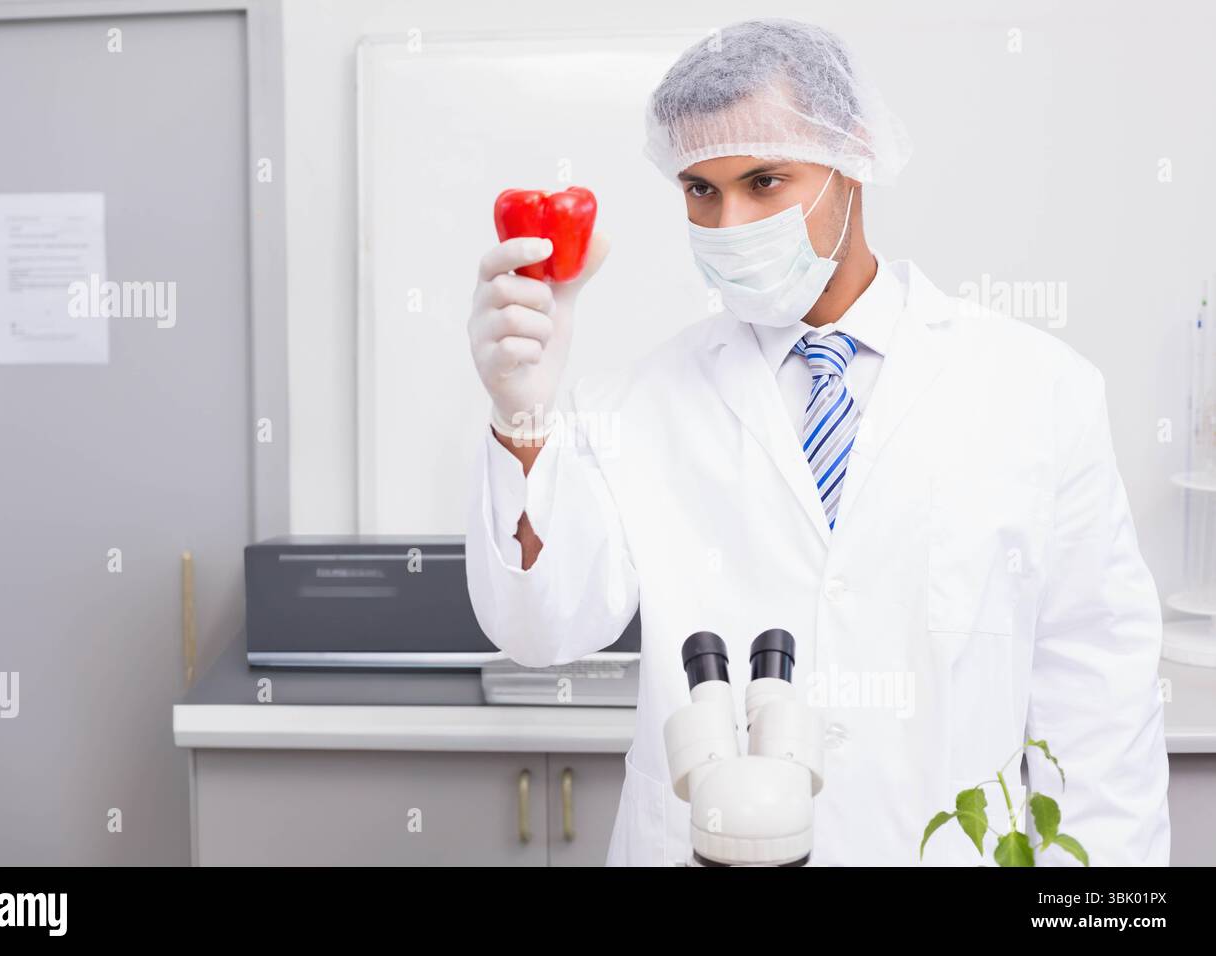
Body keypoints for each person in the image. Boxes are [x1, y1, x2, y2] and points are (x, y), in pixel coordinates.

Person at [464, 18, 1170, 866]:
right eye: (701, 189)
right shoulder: (637, 403)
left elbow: (1099, 704)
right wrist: (523, 417)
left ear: (855, 156)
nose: (729, 222)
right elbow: (543, 632)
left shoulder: (1040, 390)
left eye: (765, 180)